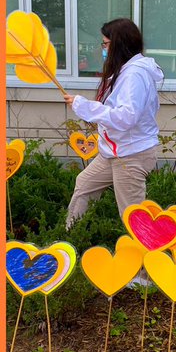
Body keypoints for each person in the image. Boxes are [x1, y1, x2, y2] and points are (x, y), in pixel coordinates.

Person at [62, 18, 163, 227]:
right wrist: (85, 109)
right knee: (84, 184)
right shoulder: (127, 71)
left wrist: (85, 107)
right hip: (115, 152)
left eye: (105, 44)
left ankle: (146, 256)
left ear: (119, 44)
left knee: (132, 216)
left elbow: (126, 117)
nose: (103, 49)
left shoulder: (134, 74)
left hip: (130, 154)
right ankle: (72, 237)